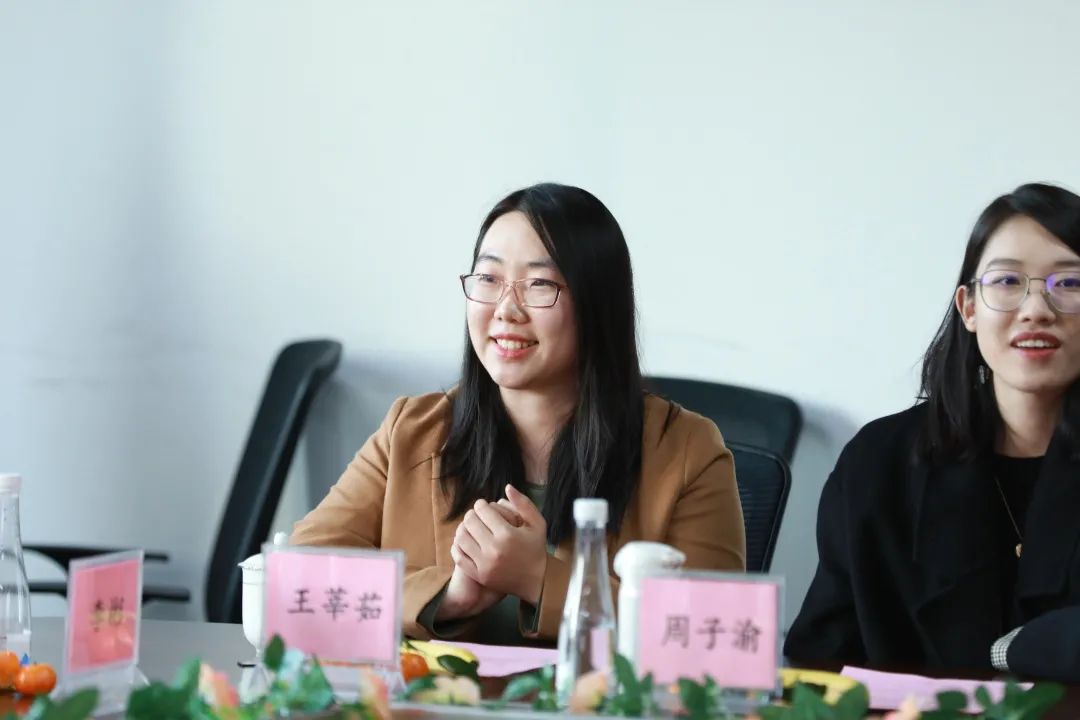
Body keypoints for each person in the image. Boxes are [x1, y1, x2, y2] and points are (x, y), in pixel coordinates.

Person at [291, 182, 745, 645]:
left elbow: (717, 634)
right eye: (488, 279)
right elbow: (297, 580)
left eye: (540, 284)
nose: (506, 309)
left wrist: (540, 578)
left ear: (598, 303)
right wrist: (447, 597)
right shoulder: (410, 430)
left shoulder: (687, 451)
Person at [785, 182, 1080, 681]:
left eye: (1069, 283)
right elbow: (822, 659)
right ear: (969, 308)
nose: (1036, 309)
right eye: (1007, 281)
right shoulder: (879, 463)